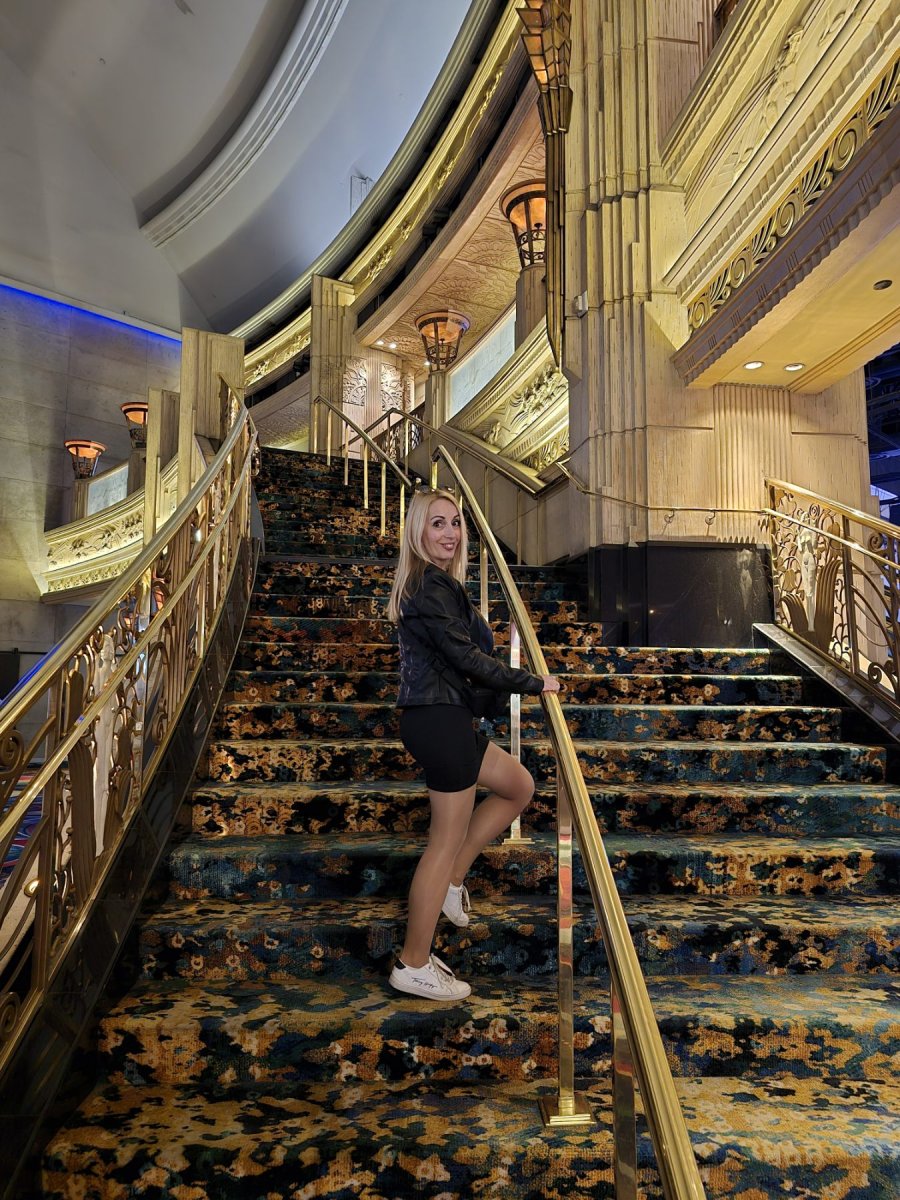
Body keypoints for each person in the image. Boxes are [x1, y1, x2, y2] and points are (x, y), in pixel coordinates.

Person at [386, 486, 561, 1001]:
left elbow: (465, 651)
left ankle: (453, 882)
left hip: (447, 717)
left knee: (518, 785)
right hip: (438, 719)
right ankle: (413, 963)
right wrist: (533, 682)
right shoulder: (429, 585)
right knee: (442, 842)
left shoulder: (438, 585)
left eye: (456, 522)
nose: (450, 533)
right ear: (417, 531)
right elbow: (466, 659)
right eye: (437, 523)